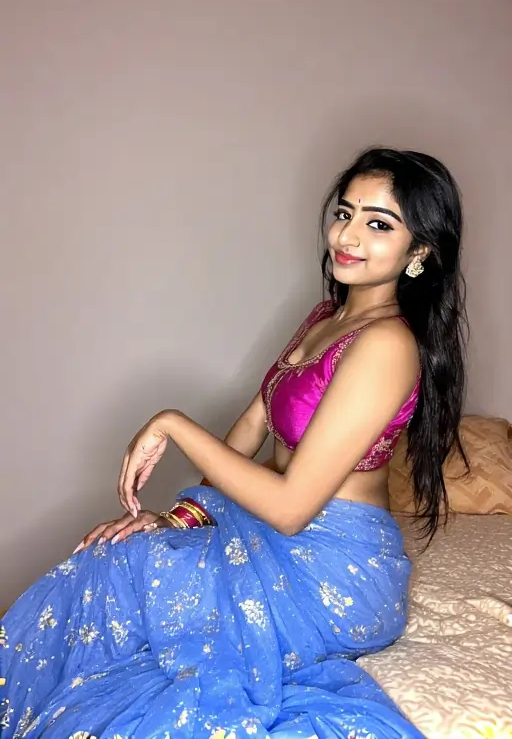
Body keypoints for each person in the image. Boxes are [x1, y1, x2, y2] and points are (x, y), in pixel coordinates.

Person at [0, 147, 467, 739]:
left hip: (332, 570)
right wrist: (183, 515)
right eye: (344, 213)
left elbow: (291, 508)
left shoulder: (387, 345)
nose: (347, 236)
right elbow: (252, 424)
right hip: (270, 532)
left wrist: (172, 423)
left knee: (134, 586)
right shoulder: (325, 317)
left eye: (379, 224)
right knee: (111, 558)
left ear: (420, 251)